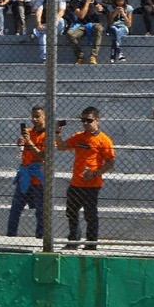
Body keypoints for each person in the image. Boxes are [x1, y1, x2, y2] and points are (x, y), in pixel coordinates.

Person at [54, 106, 115, 251]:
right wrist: (57, 133)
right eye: (83, 120)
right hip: (76, 182)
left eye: (89, 120)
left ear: (97, 120)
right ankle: (73, 240)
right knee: (71, 212)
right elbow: (62, 147)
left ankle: (91, 243)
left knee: (90, 215)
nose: (86, 123)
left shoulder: (103, 140)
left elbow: (111, 162)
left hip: (92, 184)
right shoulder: (79, 136)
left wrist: (95, 173)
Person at [7, 106, 46, 239]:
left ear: (44, 116)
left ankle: (41, 238)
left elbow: (42, 156)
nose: (34, 119)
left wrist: (29, 143)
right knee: (15, 209)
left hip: (38, 179)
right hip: (24, 177)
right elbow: (24, 148)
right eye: (33, 116)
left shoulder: (47, 135)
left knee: (40, 212)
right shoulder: (28, 132)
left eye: (38, 116)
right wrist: (21, 143)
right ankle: (10, 236)